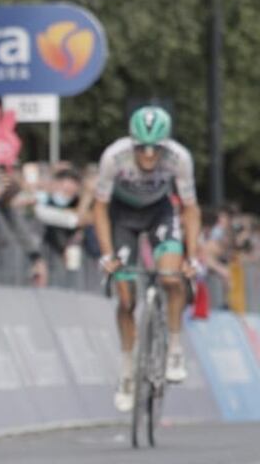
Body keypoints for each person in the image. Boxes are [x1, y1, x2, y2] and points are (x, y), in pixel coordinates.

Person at [95, 106, 201, 412]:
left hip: (159, 213)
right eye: (142, 148)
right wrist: (106, 254)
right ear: (132, 143)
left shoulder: (179, 158)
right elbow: (99, 208)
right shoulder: (113, 157)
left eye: (157, 149)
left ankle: (175, 347)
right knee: (126, 299)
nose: (150, 156)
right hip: (122, 217)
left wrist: (190, 257)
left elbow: (190, 209)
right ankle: (127, 372)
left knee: (171, 277)